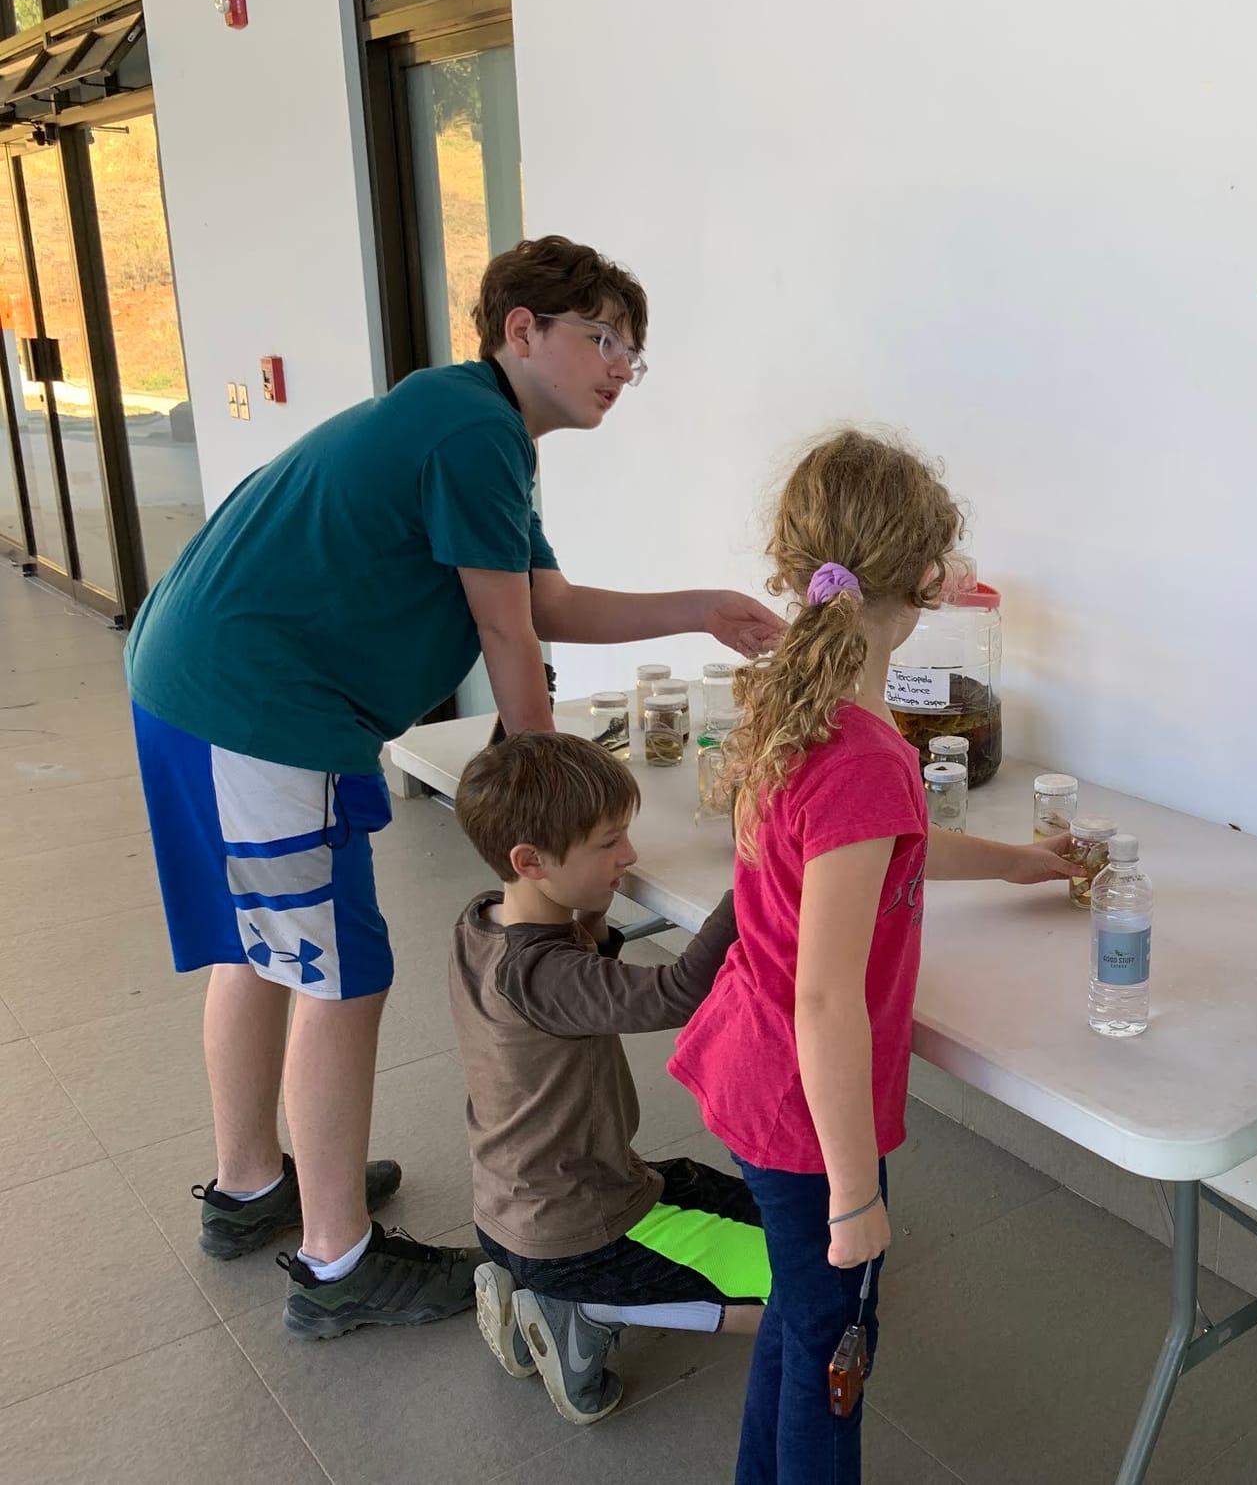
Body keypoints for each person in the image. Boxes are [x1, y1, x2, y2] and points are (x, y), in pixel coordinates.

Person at [126, 235, 787, 1337]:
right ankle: (336, 1267)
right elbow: (505, 633)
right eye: (600, 338)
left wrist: (702, 604)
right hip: (259, 706)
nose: (619, 365)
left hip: (195, 678)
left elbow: (543, 602)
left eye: (634, 349)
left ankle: (251, 1189)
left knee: (266, 950)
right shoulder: (477, 430)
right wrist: (553, 808)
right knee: (337, 972)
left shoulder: (469, 423)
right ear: (520, 332)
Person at [667, 429, 1081, 1484]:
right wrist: (854, 1191)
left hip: (755, 1071)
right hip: (804, 1108)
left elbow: (875, 854)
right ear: (921, 591)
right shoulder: (862, 756)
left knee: (799, 1325)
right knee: (833, 1351)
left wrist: (1014, 865)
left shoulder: (793, 710)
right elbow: (825, 999)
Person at [447, 730, 770, 1425]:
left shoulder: (482, 924)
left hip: (520, 1203)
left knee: (776, 1216)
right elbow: (677, 992)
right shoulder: (544, 974)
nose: (628, 855)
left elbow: (578, 955)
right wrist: (756, 874)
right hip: (579, 1227)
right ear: (529, 860)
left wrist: (588, 903)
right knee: (811, 1286)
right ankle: (585, 1310)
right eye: (607, 843)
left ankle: (522, 1282)